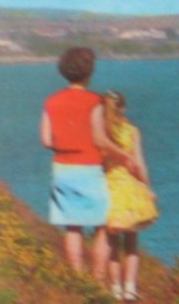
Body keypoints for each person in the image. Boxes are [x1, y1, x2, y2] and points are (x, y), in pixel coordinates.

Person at [39, 47, 122, 283]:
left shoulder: (51, 101)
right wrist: (123, 154)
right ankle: (98, 280)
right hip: (90, 168)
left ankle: (78, 280)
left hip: (62, 169)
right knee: (102, 226)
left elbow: (46, 140)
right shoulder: (94, 101)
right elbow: (99, 139)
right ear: (89, 72)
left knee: (72, 227)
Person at [101, 89, 159, 302]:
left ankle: (115, 288)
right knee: (132, 241)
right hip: (130, 188)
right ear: (123, 107)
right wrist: (148, 187)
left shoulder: (103, 132)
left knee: (112, 242)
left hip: (109, 188)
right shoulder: (131, 131)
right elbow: (140, 164)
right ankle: (130, 288)